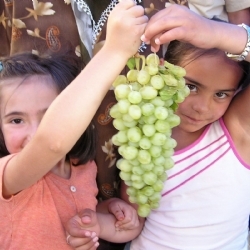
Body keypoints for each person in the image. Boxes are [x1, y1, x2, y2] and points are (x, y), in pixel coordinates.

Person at [66, 4, 250, 250]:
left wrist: (215, 32)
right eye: (191, 87)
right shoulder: (144, 139)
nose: (202, 107)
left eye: (221, 94)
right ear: (163, 74)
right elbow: (132, 224)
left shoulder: (237, 132)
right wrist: (100, 224)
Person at [0, 1, 148, 249]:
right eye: (16, 120)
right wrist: (115, 51)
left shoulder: (84, 169)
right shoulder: (7, 174)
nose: (35, 133)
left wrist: (110, 215)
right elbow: (51, 143)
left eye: (50, 116)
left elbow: (91, 222)